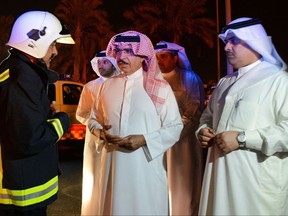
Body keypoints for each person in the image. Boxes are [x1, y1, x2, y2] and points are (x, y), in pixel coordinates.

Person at [196, 17, 288, 215]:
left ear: (256, 42)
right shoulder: (224, 83)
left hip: (255, 184)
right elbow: (207, 117)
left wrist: (242, 139)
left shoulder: (278, 80)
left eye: (234, 41)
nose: (227, 47)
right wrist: (202, 131)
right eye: (226, 41)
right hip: (218, 175)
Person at [87, 30, 183, 215]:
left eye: (129, 51)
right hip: (112, 167)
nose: (121, 56)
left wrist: (144, 139)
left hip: (145, 169)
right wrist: (100, 132)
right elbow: (93, 119)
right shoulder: (106, 86)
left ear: (143, 56)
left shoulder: (159, 88)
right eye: (119, 51)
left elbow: (175, 127)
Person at [0, 10, 74, 216]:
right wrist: (62, 120)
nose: (56, 52)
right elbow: (30, 139)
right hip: (24, 194)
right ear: (35, 41)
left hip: (22, 185)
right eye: (53, 44)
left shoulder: (18, 70)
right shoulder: (23, 77)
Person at [154, 41, 205, 216]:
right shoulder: (152, 80)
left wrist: (172, 134)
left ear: (175, 58)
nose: (159, 61)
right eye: (156, 57)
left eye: (164, 56)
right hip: (156, 142)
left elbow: (194, 111)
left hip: (183, 143)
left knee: (183, 186)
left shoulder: (190, 79)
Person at [76, 50, 120, 215]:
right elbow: (81, 114)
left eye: (105, 62)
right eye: (99, 63)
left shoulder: (124, 85)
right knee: (94, 180)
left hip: (116, 140)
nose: (101, 66)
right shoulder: (91, 87)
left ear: (113, 63)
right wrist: (97, 127)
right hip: (95, 142)